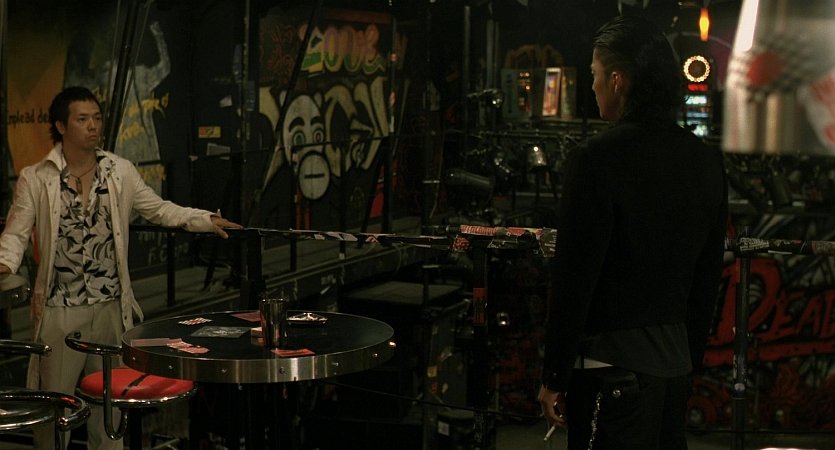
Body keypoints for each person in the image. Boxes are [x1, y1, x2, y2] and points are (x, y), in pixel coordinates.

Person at [0, 86, 242, 450]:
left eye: (97, 118)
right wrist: (4, 265)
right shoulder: (37, 177)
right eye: (83, 119)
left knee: (110, 409)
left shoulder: (119, 171)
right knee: (54, 409)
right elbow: (15, 234)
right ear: (61, 126)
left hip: (110, 308)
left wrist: (204, 220)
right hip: (59, 310)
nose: (93, 126)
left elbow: (159, 209)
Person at [537, 15, 728, 450]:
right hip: (673, 367)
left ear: (618, 80)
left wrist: (554, 374)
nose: (593, 86)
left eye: (595, 74)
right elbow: (707, 276)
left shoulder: (595, 160)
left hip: (608, 368)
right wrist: (688, 362)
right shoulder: (705, 162)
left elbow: (575, 277)